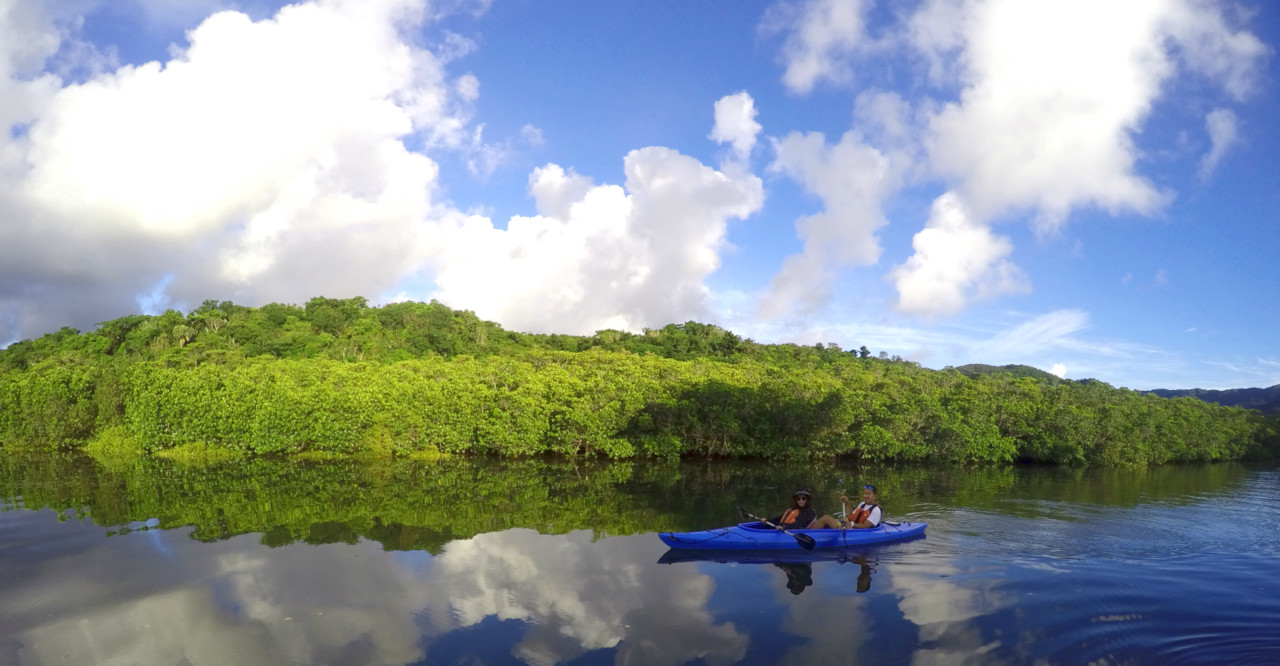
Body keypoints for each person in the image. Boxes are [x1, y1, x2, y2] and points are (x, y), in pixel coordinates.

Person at [808, 485, 881, 529]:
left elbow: (865, 526)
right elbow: (851, 517)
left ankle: (808, 533)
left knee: (826, 518)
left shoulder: (876, 510)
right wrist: (848, 503)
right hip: (850, 527)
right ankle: (807, 531)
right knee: (826, 518)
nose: (866, 496)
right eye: (865, 493)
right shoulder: (862, 504)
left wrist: (850, 524)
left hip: (855, 532)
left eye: (869, 494)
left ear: (875, 496)